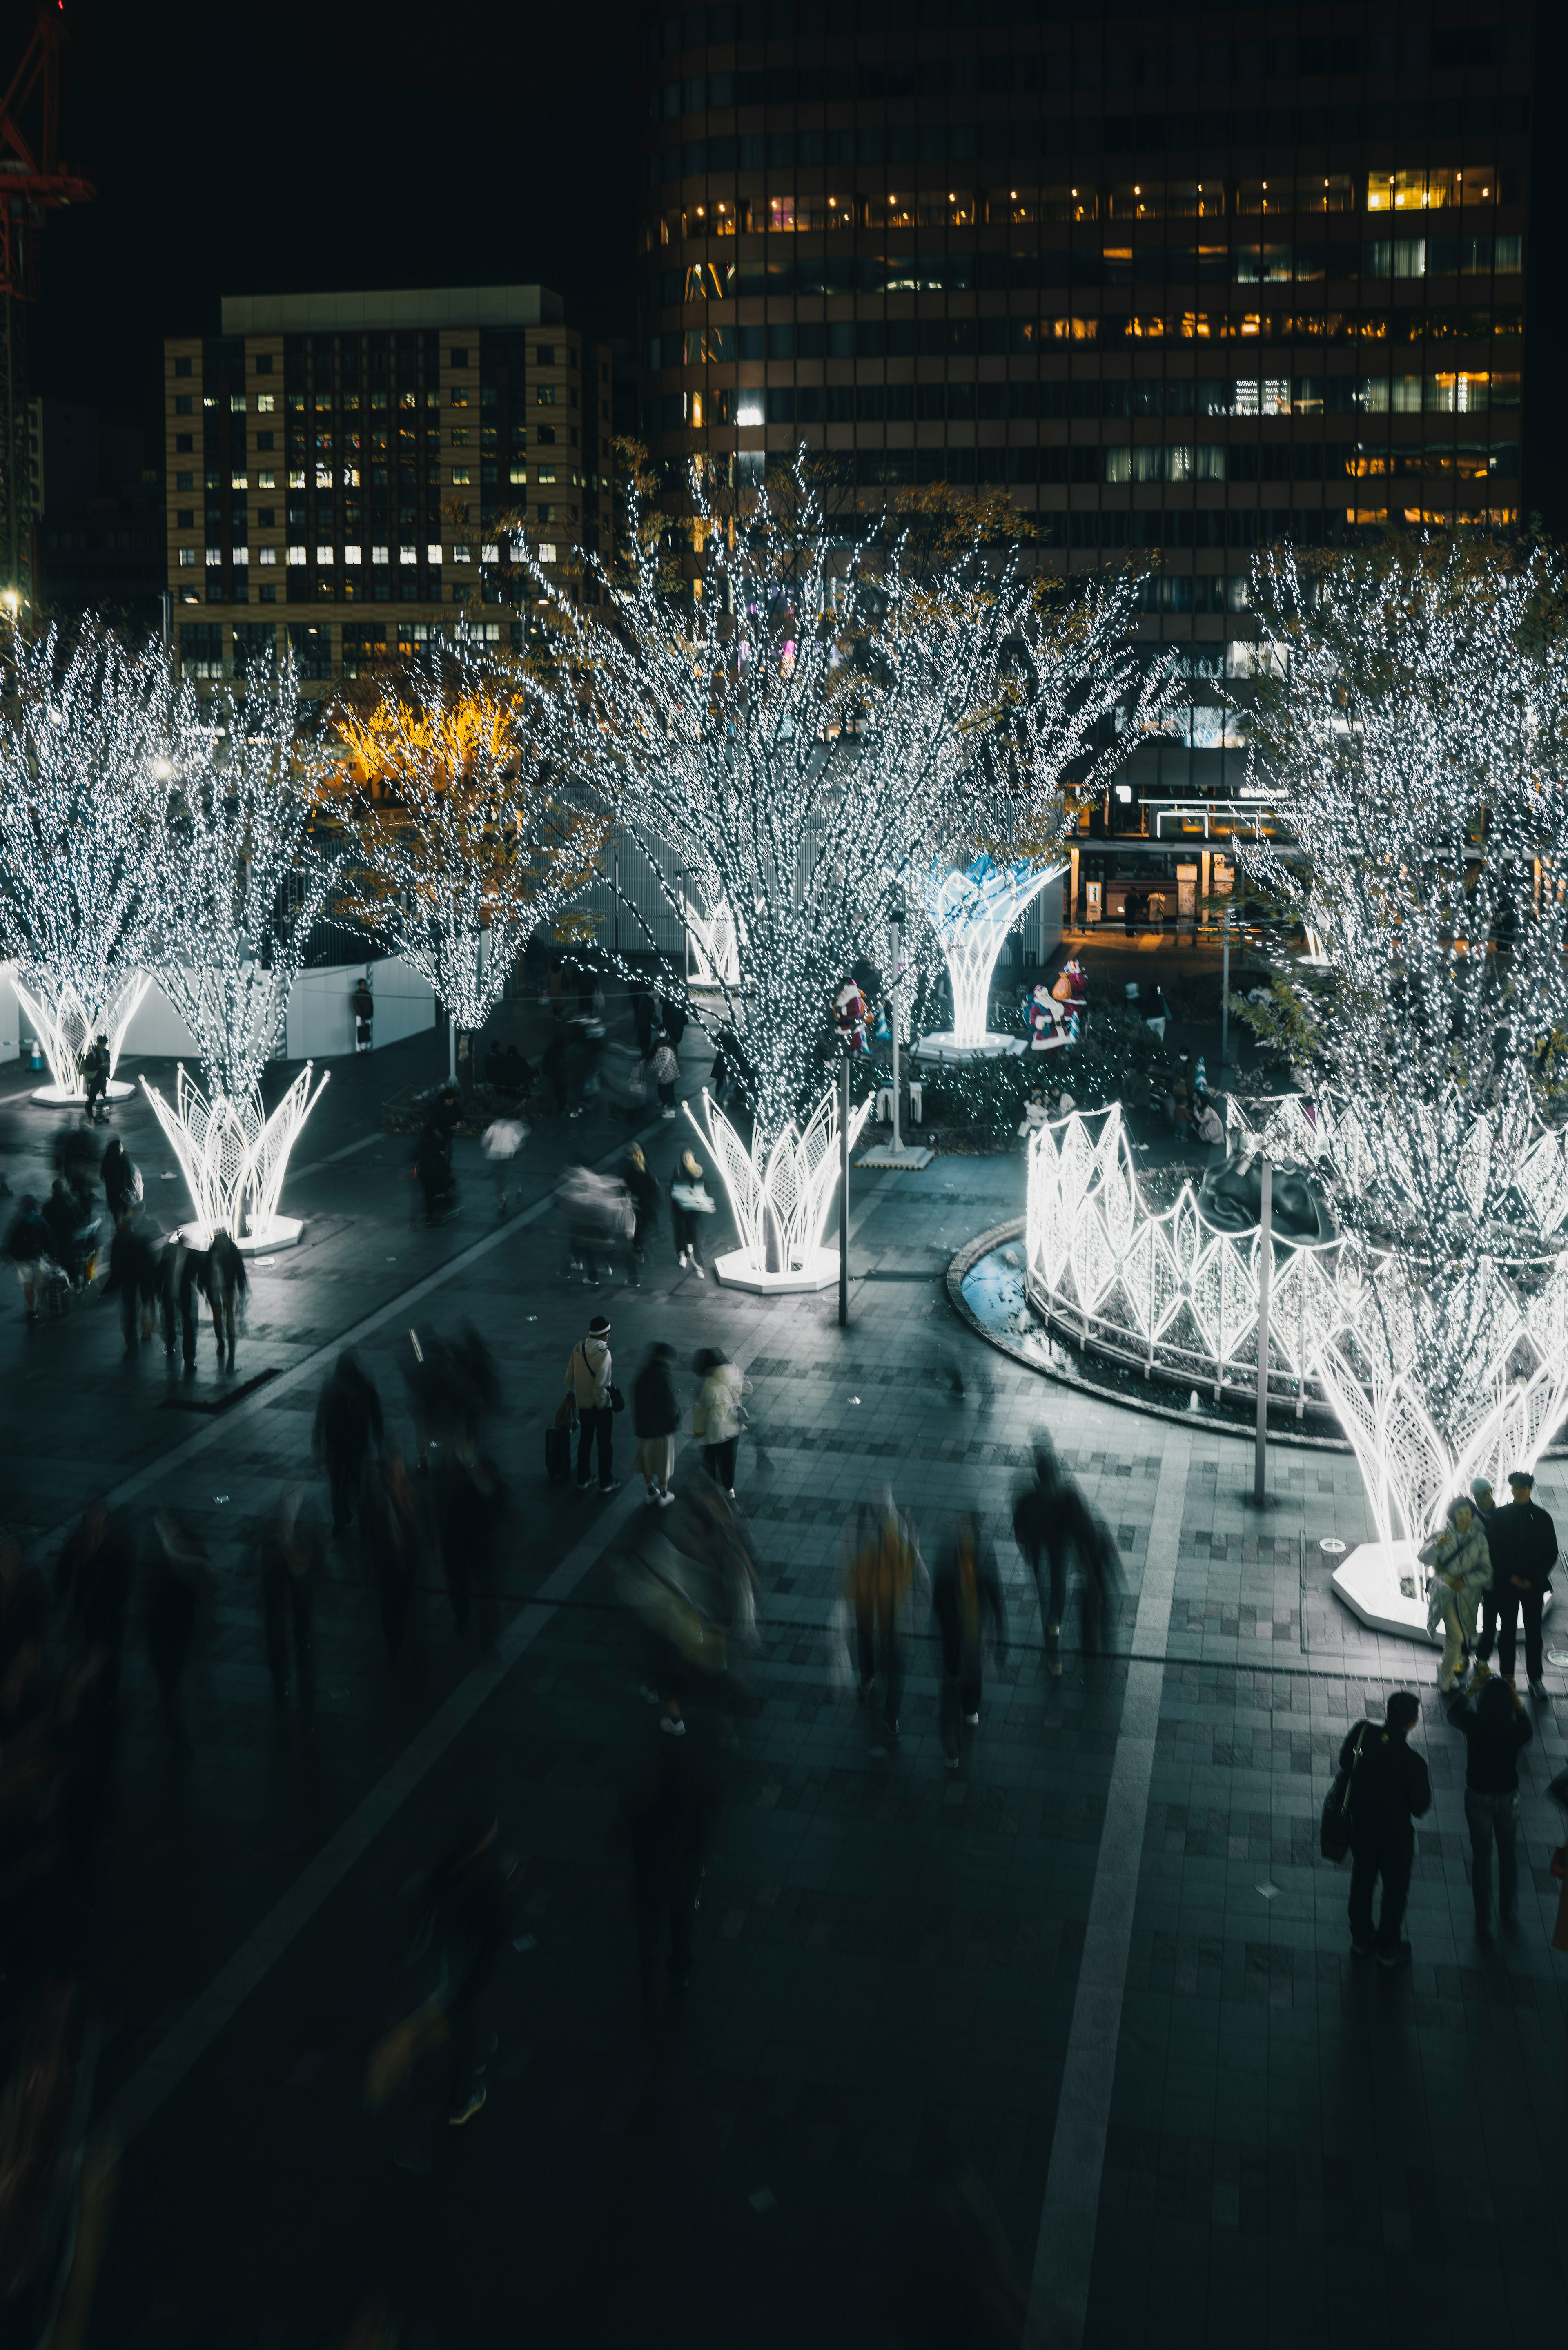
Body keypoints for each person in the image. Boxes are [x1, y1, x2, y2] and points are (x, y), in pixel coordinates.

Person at [625, 1699, 715, 2002]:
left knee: (649, 1920)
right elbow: (707, 1809)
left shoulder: (648, 1775)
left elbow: (634, 1820)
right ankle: (680, 1973)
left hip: (652, 1863)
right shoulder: (693, 1769)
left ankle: (648, 1973)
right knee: (681, 1922)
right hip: (683, 1864)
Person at [1340, 1690, 1431, 1965]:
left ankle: (1361, 1937)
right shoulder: (1414, 1763)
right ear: (1412, 1723)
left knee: (1363, 1879)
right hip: (1395, 1838)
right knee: (1394, 1890)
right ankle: (1389, 1946)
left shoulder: (1363, 1735)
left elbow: (1348, 1761)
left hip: (1362, 1828)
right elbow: (1419, 1808)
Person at [1446, 1674, 1532, 1936]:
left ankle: (1483, 1921)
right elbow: (1528, 1726)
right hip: (1508, 1797)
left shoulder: (1474, 1724)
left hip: (1478, 1796)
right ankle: (1508, 1910)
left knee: (1482, 1858)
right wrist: (1516, 1698)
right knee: (1508, 1853)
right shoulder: (1516, 1731)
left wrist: (1471, 1691)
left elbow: (1452, 1715)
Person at [842, 1495, 926, 1755]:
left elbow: (919, 1575)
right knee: (894, 1671)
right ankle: (890, 1717)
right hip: (885, 1616)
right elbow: (923, 1582)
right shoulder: (890, 1536)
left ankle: (874, 1690)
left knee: (887, 1662)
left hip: (884, 1616)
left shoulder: (894, 1532)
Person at [931, 1517, 1007, 1769]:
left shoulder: (947, 1552)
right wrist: (1001, 1631)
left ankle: (952, 1748)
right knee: (972, 1673)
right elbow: (995, 1593)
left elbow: (938, 1597)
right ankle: (971, 1711)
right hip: (973, 1629)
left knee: (952, 1681)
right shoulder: (984, 1549)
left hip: (954, 1631)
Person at [1483, 1469, 1557, 1701]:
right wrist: (1510, 1577)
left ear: (1530, 1489)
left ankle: (1536, 1679)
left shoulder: (1543, 1518)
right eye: (1515, 1488)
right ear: (1512, 1490)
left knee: (1534, 1632)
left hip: (1532, 1586)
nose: (1519, 1492)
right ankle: (1508, 1677)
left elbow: (1551, 1552)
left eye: (1523, 1488)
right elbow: (1493, 1549)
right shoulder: (1501, 1516)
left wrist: (1532, 1579)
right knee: (1507, 1631)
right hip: (1508, 1584)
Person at [142, 1512, 209, 1762]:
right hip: (162, 1629)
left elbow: (200, 1581)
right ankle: (178, 1732)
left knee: (172, 1680)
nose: (168, 1531)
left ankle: (175, 1726)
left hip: (179, 1629)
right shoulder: (161, 1554)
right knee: (170, 1682)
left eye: (171, 1527)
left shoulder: (185, 1552)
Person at [254, 1489, 321, 1720]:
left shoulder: (288, 1521)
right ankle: (282, 1676)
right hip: (281, 1577)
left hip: (285, 1577)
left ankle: (283, 1676)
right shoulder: (291, 1520)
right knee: (279, 1624)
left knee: (284, 1620)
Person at [1418, 1492, 1491, 1694]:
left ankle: (1448, 1673)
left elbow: (1487, 1572)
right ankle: (1444, 1673)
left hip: (1468, 1596)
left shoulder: (1479, 1541)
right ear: (1453, 1515)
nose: (1465, 1517)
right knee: (1458, 1638)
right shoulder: (1441, 1534)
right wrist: (1435, 1546)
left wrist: (1466, 1580)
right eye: (1461, 1513)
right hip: (1445, 1593)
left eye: (1468, 1513)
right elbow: (1422, 1557)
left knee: (1457, 1639)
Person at [313, 1352, 384, 1540]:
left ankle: (341, 1519)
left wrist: (317, 1447)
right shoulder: (364, 1387)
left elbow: (319, 1420)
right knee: (354, 1480)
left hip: (336, 1446)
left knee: (337, 1483)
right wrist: (380, 1445)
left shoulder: (331, 1389)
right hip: (355, 1446)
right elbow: (377, 1418)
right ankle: (353, 1513)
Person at [565, 1312, 619, 1494]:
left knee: (585, 1441)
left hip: (583, 1405)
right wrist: (601, 1403)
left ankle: (584, 1478)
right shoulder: (604, 1354)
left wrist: (570, 1390)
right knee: (604, 1444)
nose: (609, 1336)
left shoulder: (579, 1348)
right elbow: (601, 1385)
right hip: (601, 1407)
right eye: (607, 1333)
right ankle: (606, 1481)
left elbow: (570, 1373)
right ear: (602, 1335)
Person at [692, 1347, 750, 1499]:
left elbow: (705, 1403)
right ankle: (729, 1489)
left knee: (712, 1456)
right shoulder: (734, 1370)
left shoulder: (709, 1382)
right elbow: (748, 1389)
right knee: (729, 1459)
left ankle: (712, 1485)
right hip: (734, 1425)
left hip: (717, 1428)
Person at [633, 1341, 680, 1507]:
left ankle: (650, 1492)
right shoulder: (662, 1374)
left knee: (647, 1460)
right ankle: (664, 1494)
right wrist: (676, 1416)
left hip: (645, 1430)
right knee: (663, 1461)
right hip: (661, 1429)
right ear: (665, 1358)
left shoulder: (645, 1373)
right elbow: (668, 1403)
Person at [106, 1215, 158, 1358]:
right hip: (143, 1280)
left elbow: (115, 1267)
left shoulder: (118, 1241)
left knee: (129, 1312)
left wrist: (109, 1288)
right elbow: (150, 1263)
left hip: (127, 1281)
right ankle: (146, 1332)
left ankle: (132, 1346)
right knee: (145, 1306)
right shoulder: (141, 1241)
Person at [1468, 1476, 1501, 1674]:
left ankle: (1482, 1658)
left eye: (1485, 1493)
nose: (1482, 1499)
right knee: (1466, 1619)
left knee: (1490, 1623)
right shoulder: (1469, 1516)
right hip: (1472, 1577)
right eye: (1477, 1495)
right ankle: (1463, 1655)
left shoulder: (1504, 1515)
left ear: (1492, 1492)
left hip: (1493, 1580)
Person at [200, 1228, 247, 1370]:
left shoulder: (232, 1249)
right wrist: (203, 1285)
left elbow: (240, 1269)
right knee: (218, 1317)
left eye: (220, 1238)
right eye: (217, 1238)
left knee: (229, 1319)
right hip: (214, 1289)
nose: (218, 1241)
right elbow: (204, 1270)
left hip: (228, 1289)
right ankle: (221, 1342)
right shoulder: (213, 1250)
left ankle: (231, 1358)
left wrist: (241, 1285)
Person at [6, 1194, 54, 1324]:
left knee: (28, 1286)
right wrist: (52, 1255)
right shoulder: (40, 1221)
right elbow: (47, 1241)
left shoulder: (18, 1221)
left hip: (22, 1260)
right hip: (38, 1257)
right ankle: (41, 1309)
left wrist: (7, 1256)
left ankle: (32, 1311)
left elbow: (11, 1240)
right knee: (40, 1285)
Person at [670, 1150, 713, 1276]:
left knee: (693, 1233)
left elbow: (704, 1188)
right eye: (685, 1158)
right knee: (680, 1231)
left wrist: (706, 1204)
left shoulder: (698, 1171)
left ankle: (693, 1258)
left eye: (689, 1157)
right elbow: (673, 1188)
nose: (687, 1160)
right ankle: (683, 1255)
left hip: (694, 1209)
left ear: (693, 1157)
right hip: (680, 1208)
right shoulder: (678, 1171)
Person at [624, 1142, 660, 1277]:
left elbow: (653, 1190)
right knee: (638, 1228)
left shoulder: (647, 1171)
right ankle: (638, 1249)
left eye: (638, 1154)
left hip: (646, 1205)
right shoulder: (632, 1171)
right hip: (636, 1205)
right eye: (634, 1155)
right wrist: (630, 1198)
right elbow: (627, 1186)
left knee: (643, 1228)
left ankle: (638, 1248)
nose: (637, 1157)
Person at [480, 1114, 526, 1217]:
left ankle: (502, 1202)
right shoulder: (511, 1127)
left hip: (494, 1156)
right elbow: (517, 1142)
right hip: (507, 1156)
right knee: (506, 1177)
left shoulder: (494, 1126)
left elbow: (485, 1142)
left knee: (499, 1180)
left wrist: (488, 1147)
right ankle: (510, 1193)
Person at [100, 1136, 140, 1226]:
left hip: (112, 1195)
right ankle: (128, 1234)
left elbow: (102, 1177)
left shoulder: (106, 1161)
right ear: (119, 1148)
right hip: (126, 1193)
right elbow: (133, 1174)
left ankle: (120, 1234)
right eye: (121, 1145)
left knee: (117, 1217)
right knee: (128, 1216)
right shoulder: (125, 1159)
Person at [82, 1034, 111, 1121]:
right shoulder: (92, 1054)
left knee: (103, 1096)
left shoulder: (106, 1052)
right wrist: (99, 1066)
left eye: (104, 1044)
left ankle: (99, 1115)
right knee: (93, 1098)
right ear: (98, 1043)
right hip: (95, 1079)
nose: (103, 1045)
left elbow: (108, 1063)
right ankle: (91, 1116)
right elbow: (88, 1067)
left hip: (103, 1079)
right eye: (102, 1043)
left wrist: (107, 1073)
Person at [652, 1031, 679, 1119]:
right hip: (671, 1074)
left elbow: (658, 1062)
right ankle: (669, 1104)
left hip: (667, 1076)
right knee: (669, 1091)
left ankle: (671, 1111)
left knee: (668, 1092)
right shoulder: (670, 1046)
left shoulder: (664, 1049)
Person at [352, 976, 374, 1052]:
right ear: (360, 985)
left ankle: (364, 1048)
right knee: (360, 1033)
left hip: (367, 1016)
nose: (365, 985)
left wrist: (371, 1014)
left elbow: (372, 1005)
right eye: (364, 984)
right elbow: (356, 1007)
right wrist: (363, 1016)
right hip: (360, 1017)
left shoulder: (368, 994)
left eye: (366, 984)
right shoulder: (356, 995)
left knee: (365, 1032)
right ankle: (358, 1050)